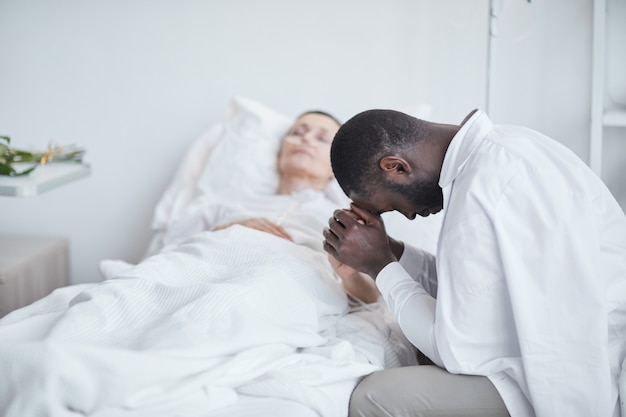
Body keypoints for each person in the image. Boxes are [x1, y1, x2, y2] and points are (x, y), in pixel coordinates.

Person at [0, 110, 415, 417]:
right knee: (123, 298)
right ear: (280, 150)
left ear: (336, 162)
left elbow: (367, 298)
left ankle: (100, 373)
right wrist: (231, 226)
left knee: (237, 303)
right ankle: (60, 355)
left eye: (321, 136)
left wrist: (343, 270)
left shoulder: (349, 212)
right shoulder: (222, 201)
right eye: (296, 132)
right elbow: (167, 254)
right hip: (208, 255)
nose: (304, 139)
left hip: (291, 269)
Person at [323, 108, 626, 417]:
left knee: (373, 399)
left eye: (390, 207)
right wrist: (392, 250)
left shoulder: (480, 193)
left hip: (581, 380)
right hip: (592, 353)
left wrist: (379, 266)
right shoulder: (507, 148)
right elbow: (473, 294)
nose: (409, 215)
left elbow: (454, 351)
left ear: (396, 168)